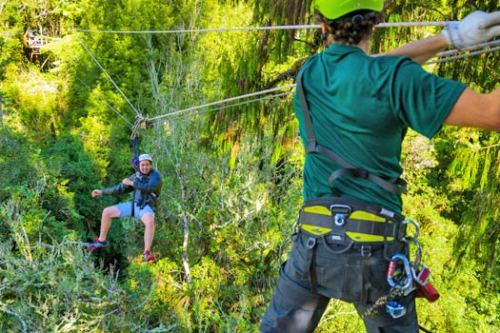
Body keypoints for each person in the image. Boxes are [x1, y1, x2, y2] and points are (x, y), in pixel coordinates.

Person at [260, 1, 499, 332]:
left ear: (322, 25)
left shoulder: (309, 74)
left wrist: (450, 39)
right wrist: (448, 38)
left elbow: (371, 69)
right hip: (376, 253)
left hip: (313, 247)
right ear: (376, 22)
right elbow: (492, 113)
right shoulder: (394, 79)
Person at [87, 153, 163, 262]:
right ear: (139, 165)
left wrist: (132, 183)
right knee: (107, 212)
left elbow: (148, 188)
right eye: (142, 165)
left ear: (151, 165)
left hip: (146, 207)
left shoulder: (156, 177)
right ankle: (101, 240)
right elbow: (120, 189)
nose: (145, 167)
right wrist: (102, 192)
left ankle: (147, 252)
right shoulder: (136, 176)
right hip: (134, 206)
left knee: (150, 222)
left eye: (147, 165)